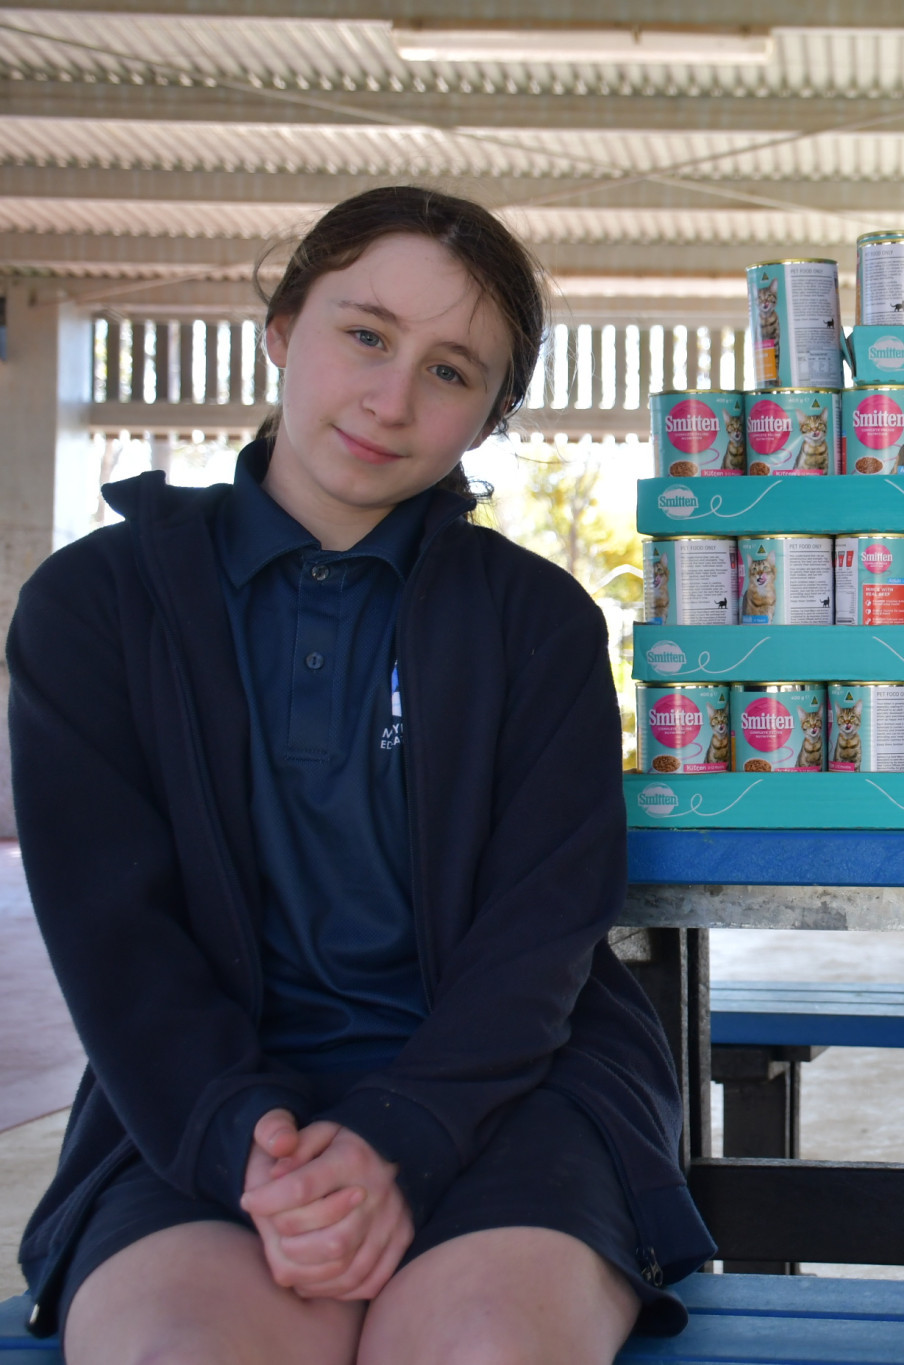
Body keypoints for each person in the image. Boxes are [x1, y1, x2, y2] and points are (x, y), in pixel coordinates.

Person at [8, 186, 713, 1364]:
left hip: (511, 1091)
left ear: (488, 416)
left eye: (450, 371)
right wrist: (253, 1148)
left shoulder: (533, 620)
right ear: (283, 328)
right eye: (366, 335)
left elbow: (542, 928)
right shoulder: (96, 609)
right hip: (198, 1105)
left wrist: (400, 1131)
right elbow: (110, 932)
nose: (390, 399)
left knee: (481, 1349)